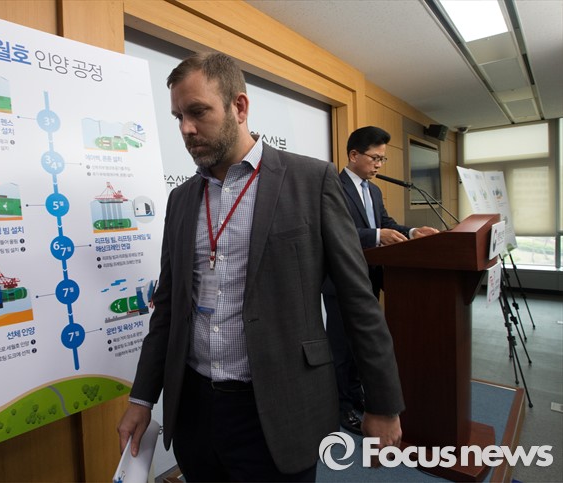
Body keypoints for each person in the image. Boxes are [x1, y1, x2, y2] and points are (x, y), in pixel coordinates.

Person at [117, 53, 404, 482]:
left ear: (239, 107)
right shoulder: (181, 200)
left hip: (279, 408)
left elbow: (357, 299)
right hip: (195, 411)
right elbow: (168, 308)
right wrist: (142, 399)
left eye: (198, 112)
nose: (186, 129)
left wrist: (383, 403)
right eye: (178, 116)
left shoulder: (311, 181)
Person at [323, 125, 439, 436]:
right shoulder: (332, 186)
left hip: (370, 278)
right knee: (342, 348)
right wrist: (376, 236)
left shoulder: (373, 190)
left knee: (362, 345)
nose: (379, 164)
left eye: (382, 159)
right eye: (375, 158)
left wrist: (412, 232)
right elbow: (334, 232)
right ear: (354, 155)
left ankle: (356, 395)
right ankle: (342, 407)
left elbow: (384, 223)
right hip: (340, 282)